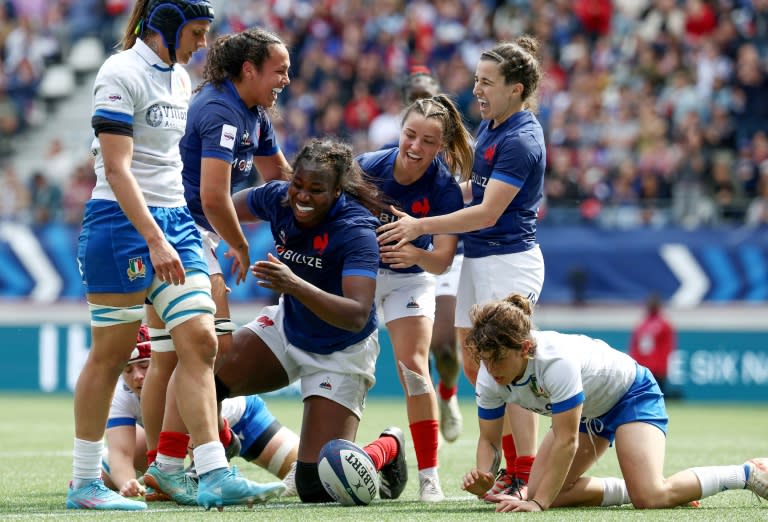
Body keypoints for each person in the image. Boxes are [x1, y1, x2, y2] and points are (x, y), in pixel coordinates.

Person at [69, 0, 284, 511]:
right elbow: (119, 170)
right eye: (196, 31)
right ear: (166, 25)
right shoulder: (119, 71)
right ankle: (83, 482)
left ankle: (211, 471)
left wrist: (171, 232)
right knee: (112, 354)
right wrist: (153, 237)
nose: (203, 44)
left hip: (175, 223)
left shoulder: (181, 80)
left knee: (201, 342)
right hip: (121, 225)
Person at [377, 36, 547, 496]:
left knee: (506, 369)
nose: (477, 90)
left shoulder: (521, 139)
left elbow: (488, 212)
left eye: (487, 82)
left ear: (516, 88)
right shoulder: (493, 126)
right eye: (476, 80)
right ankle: (515, 468)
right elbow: (475, 193)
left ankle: (524, 475)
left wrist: (421, 224)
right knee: (479, 371)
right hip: (481, 261)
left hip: (508, 263)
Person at [140, 26, 292, 504]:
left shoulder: (253, 112)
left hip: (182, 233)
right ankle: (199, 462)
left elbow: (279, 177)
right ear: (248, 70)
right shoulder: (222, 111)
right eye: (279, 70)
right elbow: (212, 196)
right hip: (184, 232)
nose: (287, 79)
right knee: (210, 351)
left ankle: (164, 467)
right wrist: (240, 246)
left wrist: (325, 199)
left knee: (172, 355)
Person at [213, 138, 410, 504]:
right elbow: (216, 206)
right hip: (289, 327)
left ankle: (387, 448)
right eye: (297, 186)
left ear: (337, 191)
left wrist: (294, 284)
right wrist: (231, 241)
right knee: (204, 377)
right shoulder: (279, 197)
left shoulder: (356, 230)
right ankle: (224, 442)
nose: (301, 197)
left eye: (315, 190)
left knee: (315, 488)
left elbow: (356, 314)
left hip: (342, 351)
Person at [460, 293, 768, 512]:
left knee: (650, 497)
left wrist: (538, 503)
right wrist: (484, 476)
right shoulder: (490, 375)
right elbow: (490, 440)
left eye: (498, 358)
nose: (491, 368)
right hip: (586, 411)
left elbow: (566, 440)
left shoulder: (554, 362)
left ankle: (745, 473)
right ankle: (635, 487)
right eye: (485, 359)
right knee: (547, 491)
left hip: (631, 396)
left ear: (525, 347)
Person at [357, 94, 473, 502]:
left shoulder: (444, 188)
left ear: (440, 146)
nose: (416, 147)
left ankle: (429, 478)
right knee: (345, 369)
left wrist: (414, 252)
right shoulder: (368, 168)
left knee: (413, 368)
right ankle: (318, 463)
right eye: (410, 135)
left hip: (412, 279)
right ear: (400, 132)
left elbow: (441, 262)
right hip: (362, 278)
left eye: (428, 141)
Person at [101, 326, 300, 499]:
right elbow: (120, 454)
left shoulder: (179, 375)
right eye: (127, 370)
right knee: (105, 475)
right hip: (174, 436)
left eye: (145, 366)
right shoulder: (121, 394)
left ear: (159, 363)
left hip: (241, 418)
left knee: (307, 474)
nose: (137, 376)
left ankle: (222, 448)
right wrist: (126, 483)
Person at [402, 66, 467, 446]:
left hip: (442, 250)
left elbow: (471, 190)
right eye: (414, 94)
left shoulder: (453, 147)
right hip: (404, 251)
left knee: (443, 343)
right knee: (413, 349)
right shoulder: (392, 140)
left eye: (426, 92)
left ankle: (448, 393)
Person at [628, 293, 677, 397]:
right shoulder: (643, 324)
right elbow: (635, 347)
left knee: (656, 396)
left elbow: (668, 347)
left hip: (657, 368)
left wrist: (662, 366)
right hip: (644, 367)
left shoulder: (662, 324)